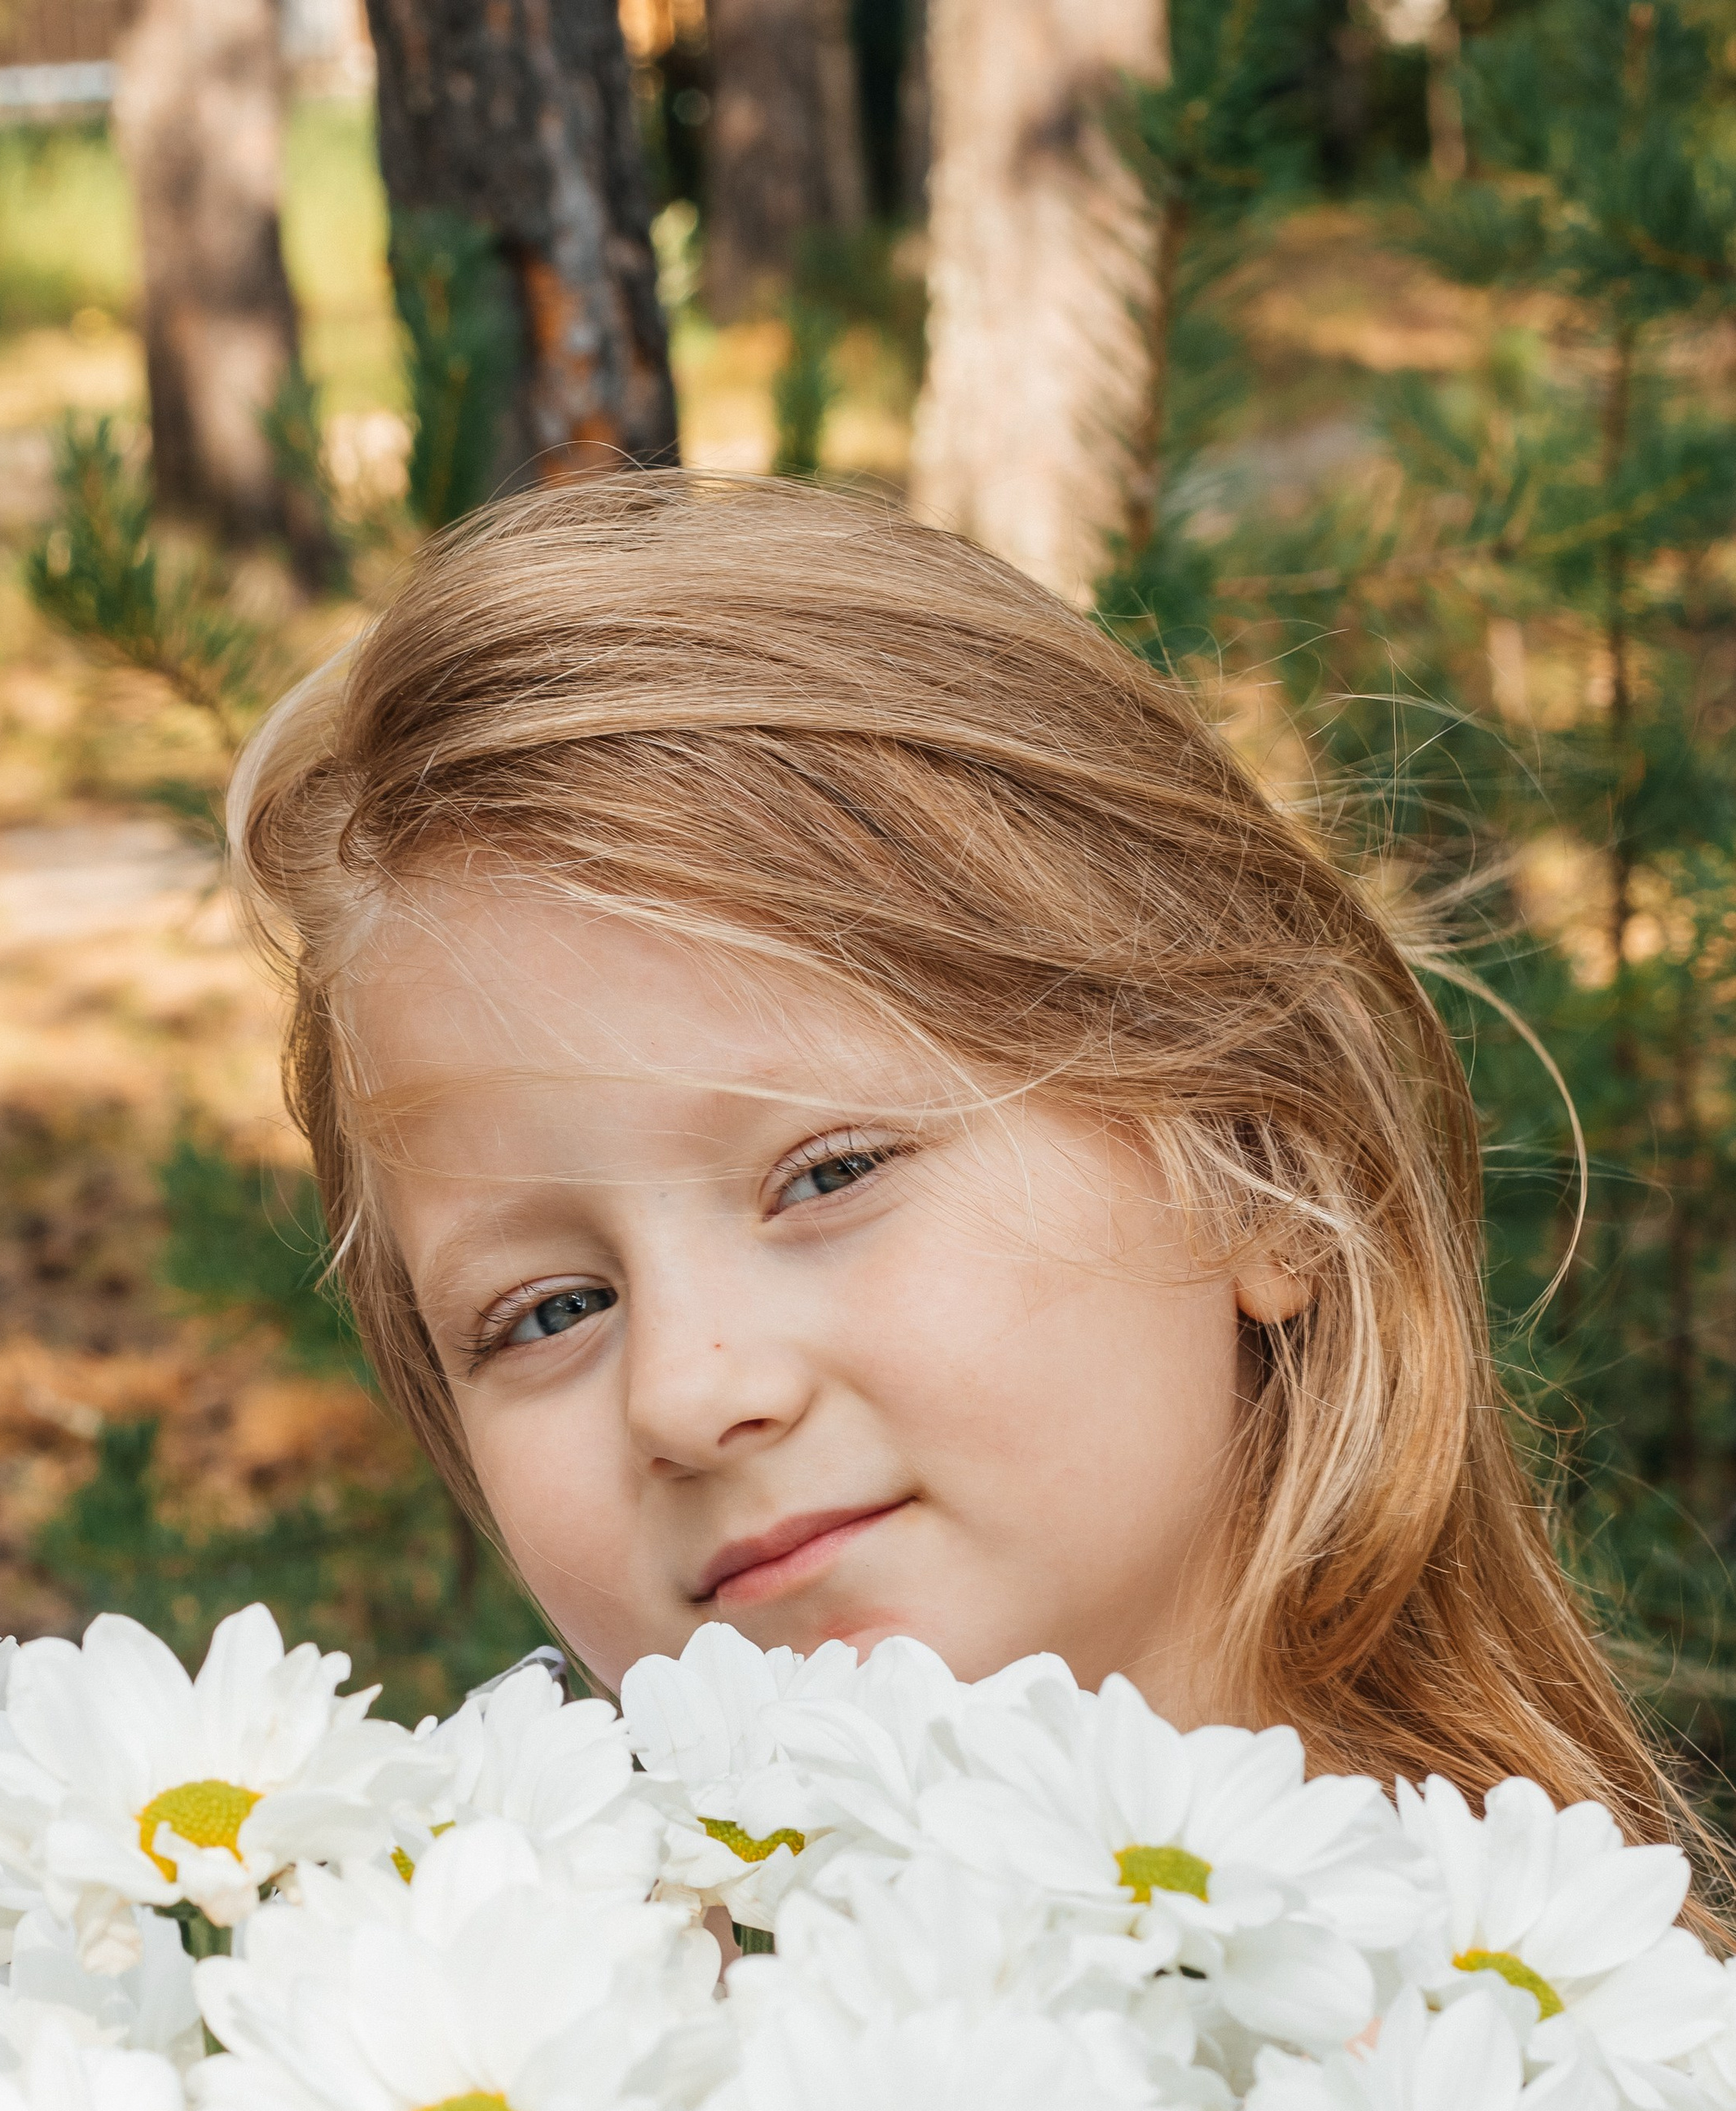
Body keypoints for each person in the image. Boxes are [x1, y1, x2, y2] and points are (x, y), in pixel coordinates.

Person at [228, 470, 1718, 1895]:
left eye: (829, 1174)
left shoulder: (1583, 2088)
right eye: (549, 1312)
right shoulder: (499, 2053)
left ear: (1259, 1162)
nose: (688, 1394)